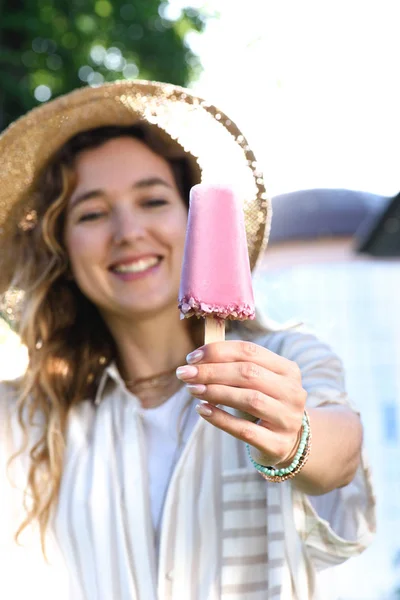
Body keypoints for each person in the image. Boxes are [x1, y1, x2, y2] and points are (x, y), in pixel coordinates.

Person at [0, 80, 374, 600]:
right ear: (61, 247)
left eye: (152, 200)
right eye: (92, 212)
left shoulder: (287, 356)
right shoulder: (26, 416)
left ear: (194, 219)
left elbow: (341, 455)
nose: (127, 230)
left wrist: (295, 438)